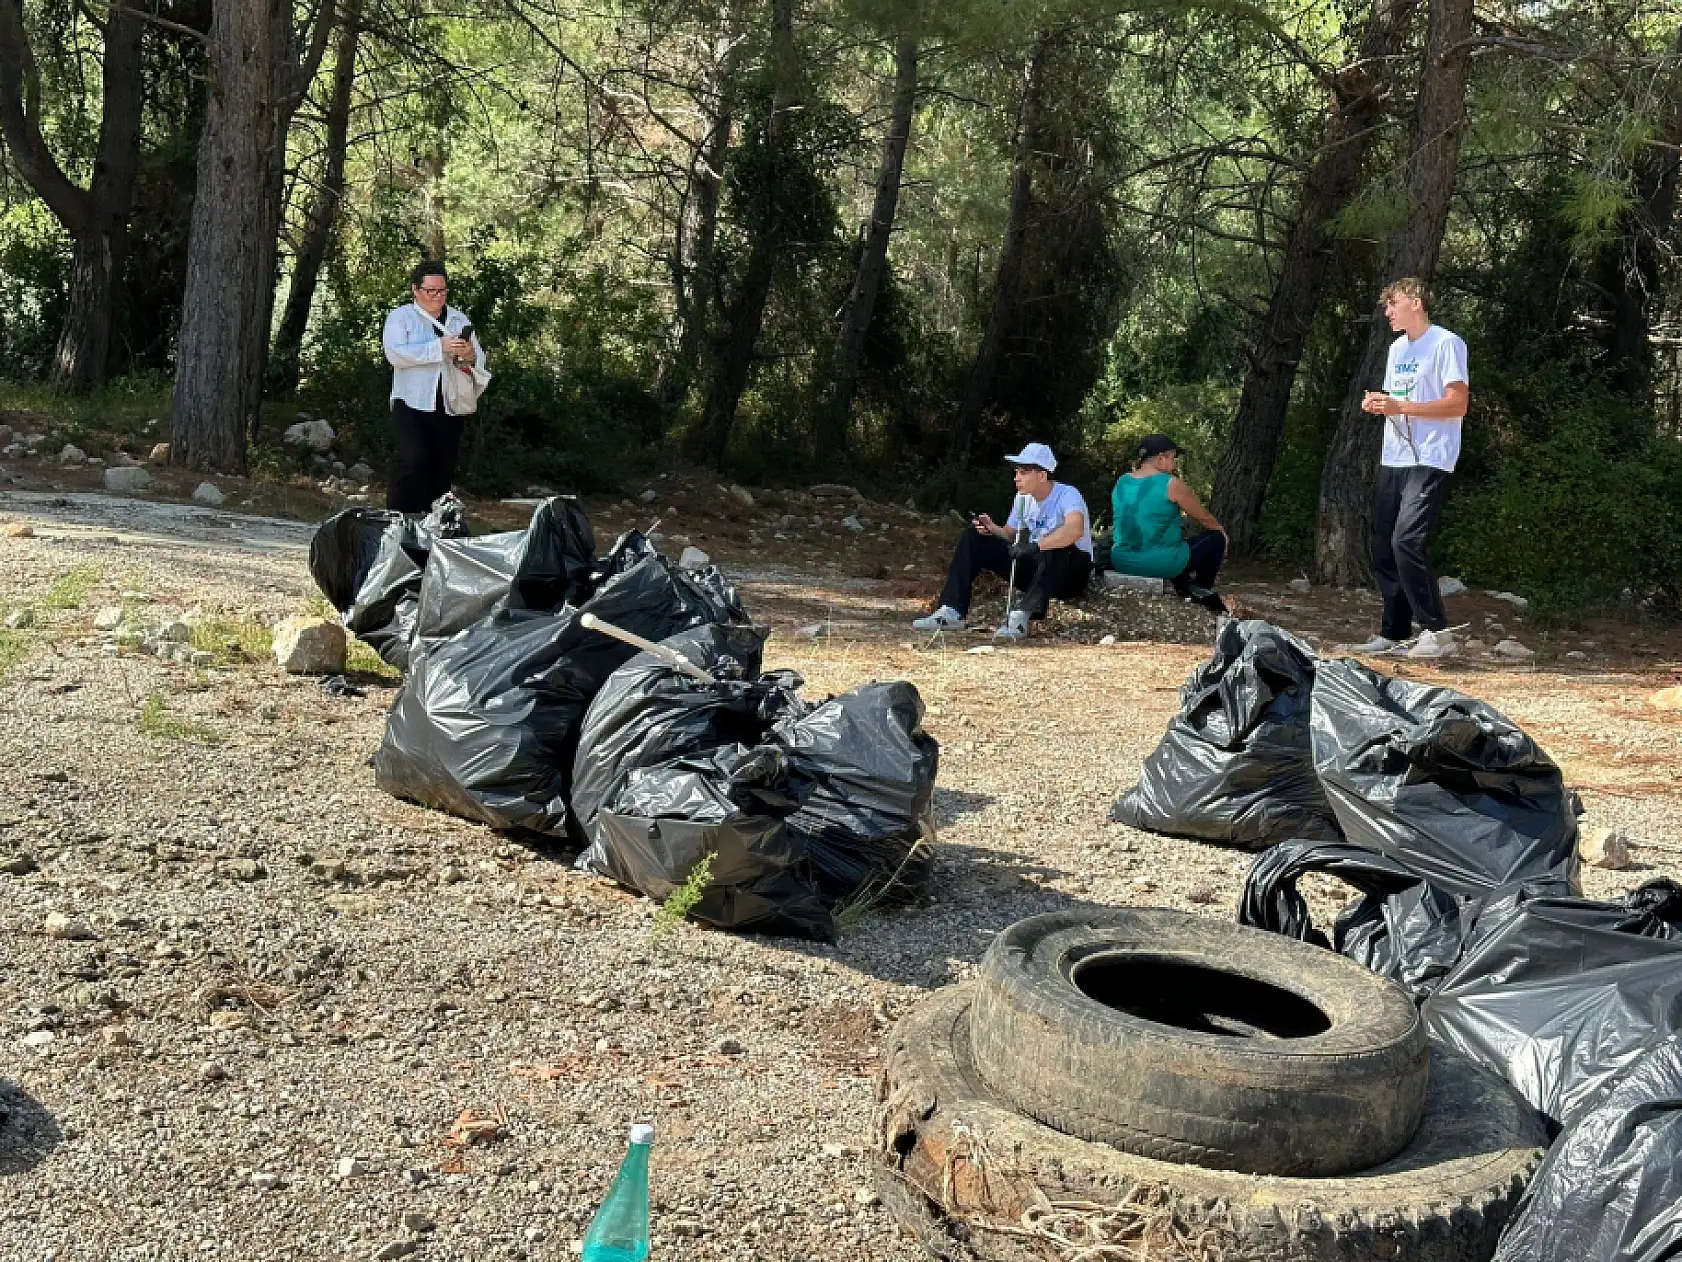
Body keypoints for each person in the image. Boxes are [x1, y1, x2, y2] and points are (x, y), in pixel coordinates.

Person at [1349, 277, 1469, 660]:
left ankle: (1437, 633)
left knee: (1407, 541)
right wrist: (1380, 403)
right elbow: (1398, 399)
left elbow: (1458, 404)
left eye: (1392, 303)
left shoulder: (1447, 343)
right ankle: (1395, 632)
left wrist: (1401, 407)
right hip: (1395, 456)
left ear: (1416, 303)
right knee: (1383, 545)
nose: (1387, 311)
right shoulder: (1397, 348)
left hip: (1431, 457)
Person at [913, 442, 1093, 641]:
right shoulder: (1022, 498)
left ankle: (1021, 616)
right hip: (1038, 568)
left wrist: (1036, 546)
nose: (1016, 477)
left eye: (1023, 472)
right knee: (973, 537)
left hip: (1069, 573)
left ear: (1042, 475)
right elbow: (1008, 534)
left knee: (1057, 546)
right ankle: (952, 611)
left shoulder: (1067, 494)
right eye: (1016, 471)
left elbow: (1074, 529)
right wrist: (991, 529)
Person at [382, 261, 488, 513]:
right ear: (415, 290)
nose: (437, 296)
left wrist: (468, 354)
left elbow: (478, 360)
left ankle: (433, 527)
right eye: (431, 291)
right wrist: (438, 347)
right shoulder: (401, 317)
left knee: (442, 470)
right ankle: (396, 519)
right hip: (411, 400)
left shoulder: (458, 319)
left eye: (442, 291)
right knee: (411, 460)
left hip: (448, 403)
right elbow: (396, 355)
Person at [1110, 434, 1228, 614]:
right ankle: (1201, 589)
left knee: (1176, 544)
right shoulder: (1171, 484)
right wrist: (1221, 530)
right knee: (1216, 539)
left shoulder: (1122, 481)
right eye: (1173, 458)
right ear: (1161, 458)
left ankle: (1184, 582)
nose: (1174, 464)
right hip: (1159, 564)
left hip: (1121, 560)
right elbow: (1203, 517)